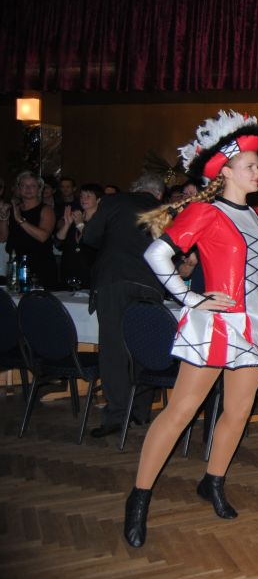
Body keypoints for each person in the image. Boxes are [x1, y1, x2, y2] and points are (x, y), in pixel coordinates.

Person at [122, 111, 258, 548]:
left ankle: (212, 481)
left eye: (257, 166)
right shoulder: (205, 212)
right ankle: (139, 497)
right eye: (251, 166)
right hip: (215, 324)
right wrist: (191, 298)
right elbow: (157, 255)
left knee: (238, 412)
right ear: (226, 171)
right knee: (181, 411)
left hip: (252, 325)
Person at [81, 173, 167, 438]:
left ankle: (117, 416)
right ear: (159, 194)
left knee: (113, 349)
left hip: (114, 280)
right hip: (151, 283)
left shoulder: (113, 201)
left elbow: (90, 237)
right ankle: (140, 410)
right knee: (144, 347)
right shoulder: (167, 210)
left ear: (135, 187)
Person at [0, 171, 58, 289]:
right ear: (18, 188)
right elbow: (2, 238)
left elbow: (43, 236)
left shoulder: (46, 210)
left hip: (40, 265)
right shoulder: (14, 209)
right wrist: (4, 218)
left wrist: (20, 220)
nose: (28, 189)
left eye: (32, 185)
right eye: (24, 185)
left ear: (39, 188)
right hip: (16, 263)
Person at [55, 183, 103, 289]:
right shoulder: (76, 216)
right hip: (69, 269)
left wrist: (80, 224)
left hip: (90, 273)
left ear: (98, 200)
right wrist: (67, 224)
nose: (83, 199)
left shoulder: (102, 221)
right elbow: (58, 244)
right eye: (81, 196)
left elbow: (96, 242)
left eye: (88, 196)